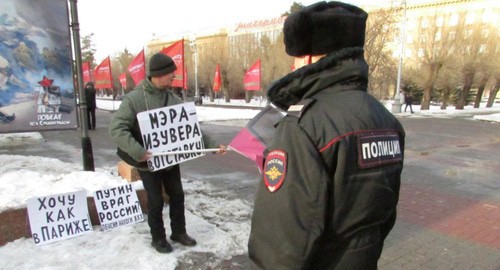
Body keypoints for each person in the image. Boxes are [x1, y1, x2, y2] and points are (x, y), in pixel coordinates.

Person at [248, 2, 406, 269]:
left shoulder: (305, 124)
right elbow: (384, 211)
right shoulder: (386, 119)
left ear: (308, 58)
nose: (292, 65)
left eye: (295, 57)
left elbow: (281, 244)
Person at [109, 52, 226, 253]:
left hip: (171, 160)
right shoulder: (134, 99)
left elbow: (192, 129)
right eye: (170, 73)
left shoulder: (173, 99)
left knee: (177, 195)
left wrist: (214, 145)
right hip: (146, 161)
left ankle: (178, 232)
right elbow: (117, 129)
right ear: (158, 74)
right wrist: (139, 151)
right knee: (155, 200)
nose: (174, 77)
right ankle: (158, 238)